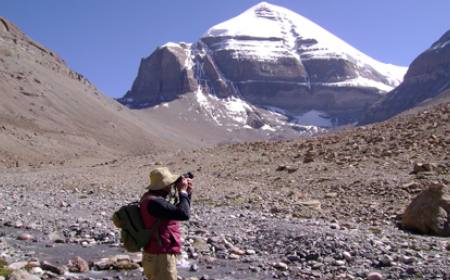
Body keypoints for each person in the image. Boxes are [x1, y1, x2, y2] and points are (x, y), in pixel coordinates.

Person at [140, 167, 192, 280]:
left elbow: (177, 212)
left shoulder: (150, 199)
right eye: (170, 183)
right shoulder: (155, 203)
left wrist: (187, 194)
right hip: (161, 257)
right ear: (164, 185)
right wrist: (182, 192)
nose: (172, 185)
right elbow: (183, 214)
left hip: (154, 254)